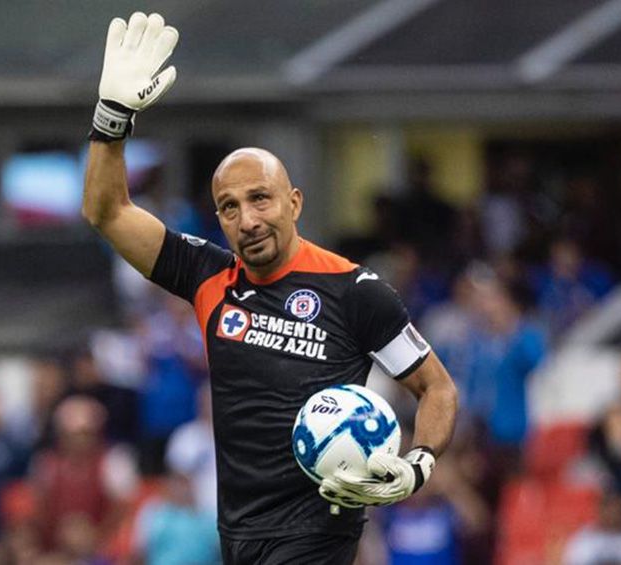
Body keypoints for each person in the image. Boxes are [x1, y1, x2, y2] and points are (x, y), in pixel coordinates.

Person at [82, 12, 459, 564]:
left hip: (318, 530)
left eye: (261, 199)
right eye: (230, 207)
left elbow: (438, 389)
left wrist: (419, 463)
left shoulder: (355, 290)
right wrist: (111, 119)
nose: (248, 219)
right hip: (236, 533)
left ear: (294, 202)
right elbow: (107, 211)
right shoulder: (207, 275)